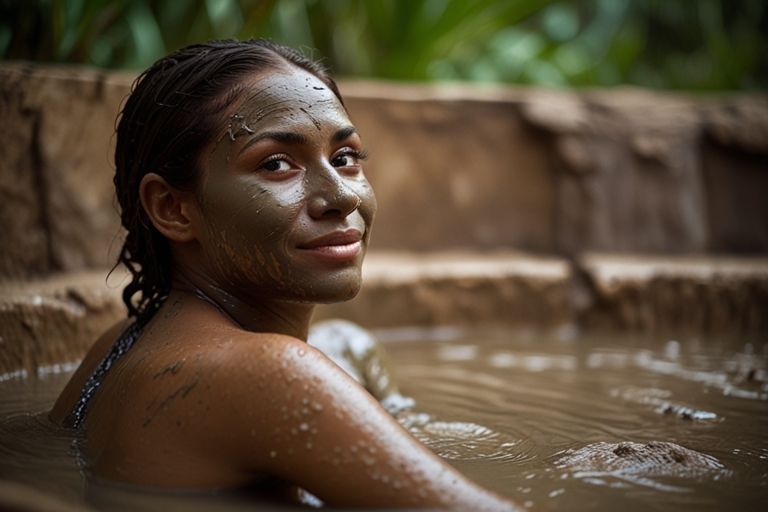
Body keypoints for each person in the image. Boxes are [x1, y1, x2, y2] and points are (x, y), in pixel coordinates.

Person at [49, 39, 521, 511]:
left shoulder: (121, 345)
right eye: (276, 164)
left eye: (345, 158)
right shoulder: (270, 377)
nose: (342, 196)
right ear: (172, 208)